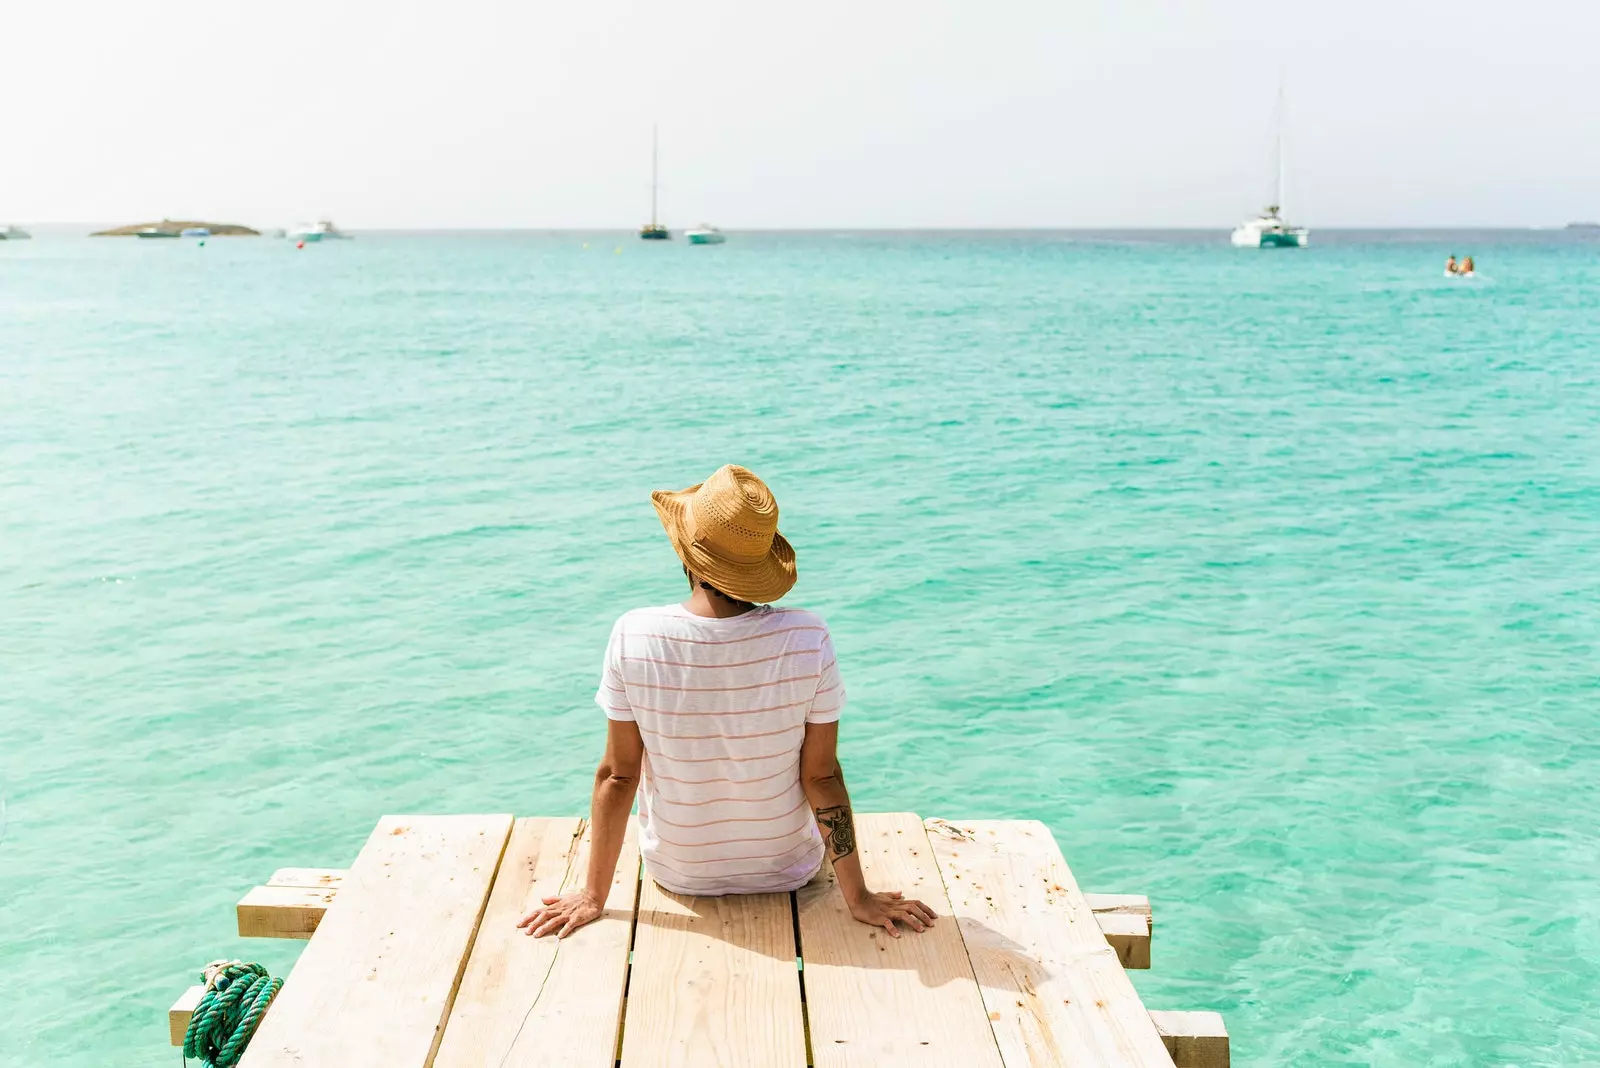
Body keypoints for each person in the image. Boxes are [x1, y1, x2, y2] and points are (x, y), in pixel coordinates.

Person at [516, 464, 937, 939]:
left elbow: (619, 775)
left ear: (689, 556)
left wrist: (593, 896)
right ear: (759, 567)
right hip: (788, 871)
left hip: (679, 873)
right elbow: (822, 776)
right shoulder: (807, 636)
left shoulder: (634, 634)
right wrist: (858, 897)